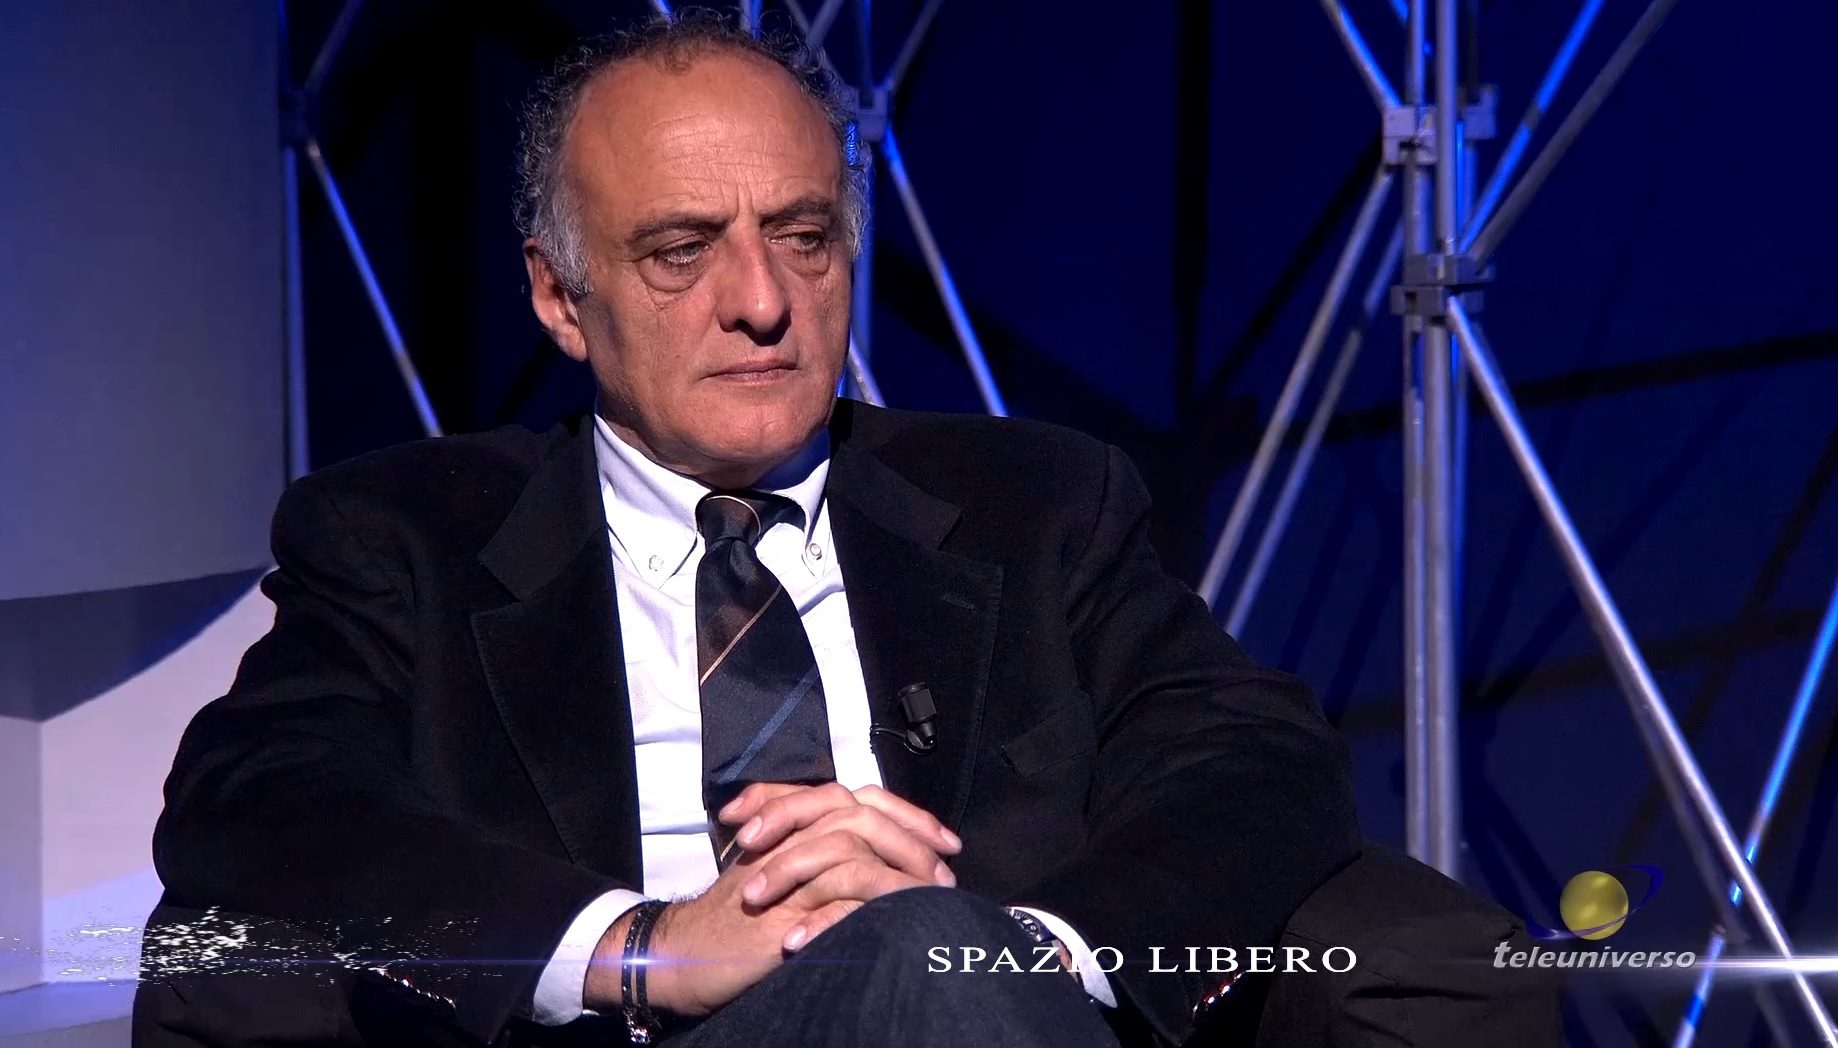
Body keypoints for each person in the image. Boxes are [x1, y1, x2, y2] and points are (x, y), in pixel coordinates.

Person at [137, 11, 1361, 1048]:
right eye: (682, 252)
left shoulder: (1035, 503)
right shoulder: (406, 535)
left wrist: (1017, 954)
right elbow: (254, 796)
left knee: (926, 952)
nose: (763, 303)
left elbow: (1257, 756)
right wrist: (641, 948)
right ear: (560, 297)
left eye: (801, 237)